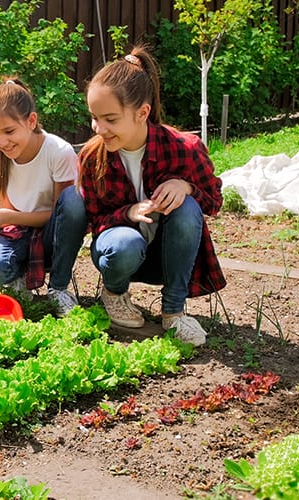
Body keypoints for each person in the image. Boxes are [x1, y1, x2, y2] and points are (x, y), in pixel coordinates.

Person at [79, 46, 227, 346]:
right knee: (125, 243)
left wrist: (187, 188)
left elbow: (213, 201)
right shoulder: (91, 157)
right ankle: (115, 294)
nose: (99, 128)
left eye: (110, 119)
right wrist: (129, 213)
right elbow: (94, 221)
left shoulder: (184, 148)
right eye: (94, 117)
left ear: (142, 112)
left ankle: (174, 312)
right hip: (121, 254)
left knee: (187, 208)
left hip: (167, 257)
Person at [0, 78, 86, 317]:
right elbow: (9, 217)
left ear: (31, 121)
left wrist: (5, 217)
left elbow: (64, 215)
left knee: (75, 200)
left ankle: (58, 288)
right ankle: (17, 277)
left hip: (55, 234)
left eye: (9, 131)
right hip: (20, 231)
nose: (2, 142)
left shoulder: (58, 152)